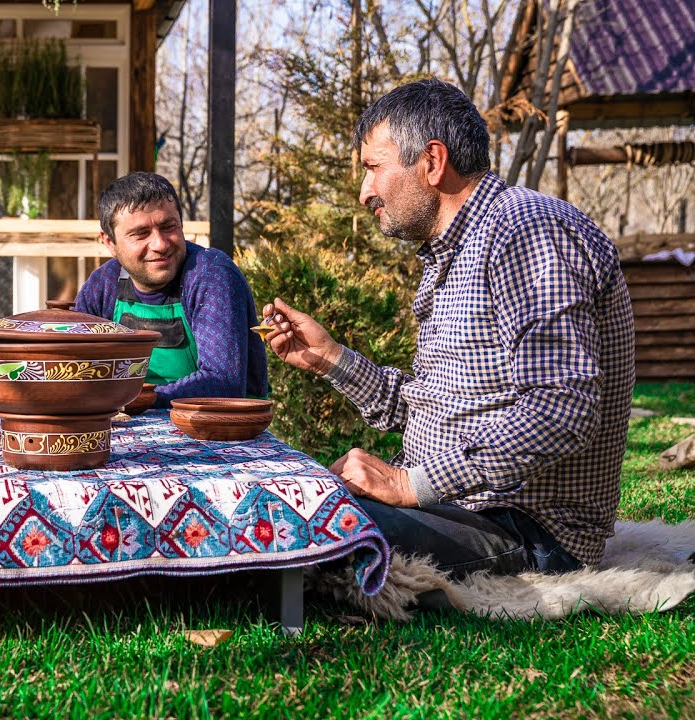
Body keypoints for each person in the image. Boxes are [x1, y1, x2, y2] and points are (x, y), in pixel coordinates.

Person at [261, 79, 635, 579]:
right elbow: (437, 408)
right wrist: (331, 358)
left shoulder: (526, 231)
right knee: (290, 492)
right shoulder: (453, 252)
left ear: (432, 162)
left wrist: (413, 483)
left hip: (527, 532)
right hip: (464, 507)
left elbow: (561, 407)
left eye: (374, 167)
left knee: (296, 524)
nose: (364, 190)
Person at [74, 172, 269, 407]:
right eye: (141, 234)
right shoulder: (102, 285)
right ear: (109, 242)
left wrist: (139, 399)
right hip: (130, 423)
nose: (160, 244)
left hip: (222, 430)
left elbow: (224, 382)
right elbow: (76, 371)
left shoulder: (211, 275)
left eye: (168, 227)